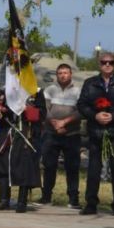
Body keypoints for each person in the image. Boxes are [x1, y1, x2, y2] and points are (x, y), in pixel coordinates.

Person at [77, 52, 114, 217]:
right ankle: (91, 204)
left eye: (110, 62)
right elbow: (81, 104)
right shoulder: (90, 83)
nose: (107, 65)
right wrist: (95, 115)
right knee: (94, 168)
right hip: (96, 131)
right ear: (99, 64)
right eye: (104, 62)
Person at [0, 91, 44, 213]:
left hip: (25, 134)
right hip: (7, 133)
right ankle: (4, 200)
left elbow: (41, 114)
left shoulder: (35, 91)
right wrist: (0, 115)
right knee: (3, 166)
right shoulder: (9, 90)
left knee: (24, 168)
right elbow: (5, 112)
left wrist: (27, 109)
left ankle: (21, 202)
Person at [39, 63, 82, 208]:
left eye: (65, 72)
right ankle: (46, 197)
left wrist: (64, 123)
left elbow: (81, 111)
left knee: (72, 167)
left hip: (72, 134)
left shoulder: (78, 91)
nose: (63, 75)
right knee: (49, 165)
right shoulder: (50, 90)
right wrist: (55, 124)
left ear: (71, 74)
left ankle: (73, 198)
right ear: (56, 75)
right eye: (60, 73)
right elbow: (45, 109)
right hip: (51, 134)